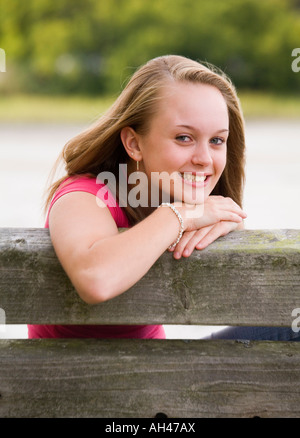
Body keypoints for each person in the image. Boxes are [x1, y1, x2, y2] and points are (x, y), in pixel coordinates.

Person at [28, 54, 249, 340]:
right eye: (184, 137)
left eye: (217, 140)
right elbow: (95, 279)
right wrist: (180, 216)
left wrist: (232, 224)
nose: (205, 158)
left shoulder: (192, 202)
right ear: (134, 143)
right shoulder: (83, 196)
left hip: (157, 374)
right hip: (79, 380)